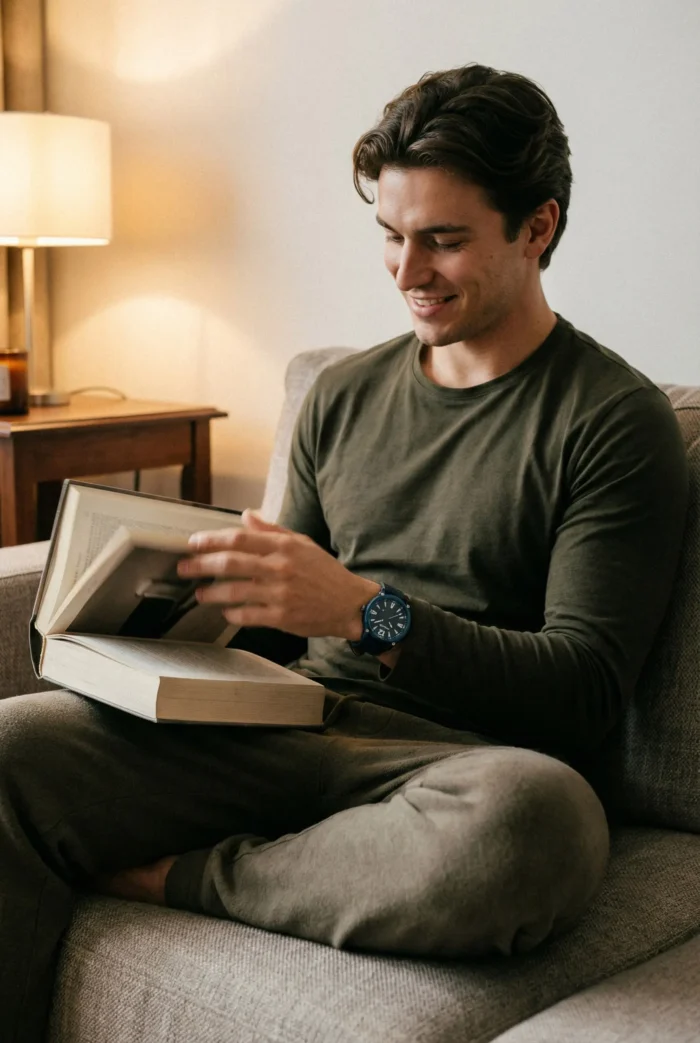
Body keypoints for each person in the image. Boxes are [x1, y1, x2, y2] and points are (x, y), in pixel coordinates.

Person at [0, 63, 689, 1042]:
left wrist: (368, 610)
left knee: (539, 823)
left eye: (443, 241)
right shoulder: (341, 395)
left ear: (536, 227)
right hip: (280, 732)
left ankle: (184, 874)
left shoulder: (612, 421)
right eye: (391, 235)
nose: (407, 272)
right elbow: (280, 628)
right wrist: (168, 625)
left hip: (455, 772)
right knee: (13, 745)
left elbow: (580, 690)